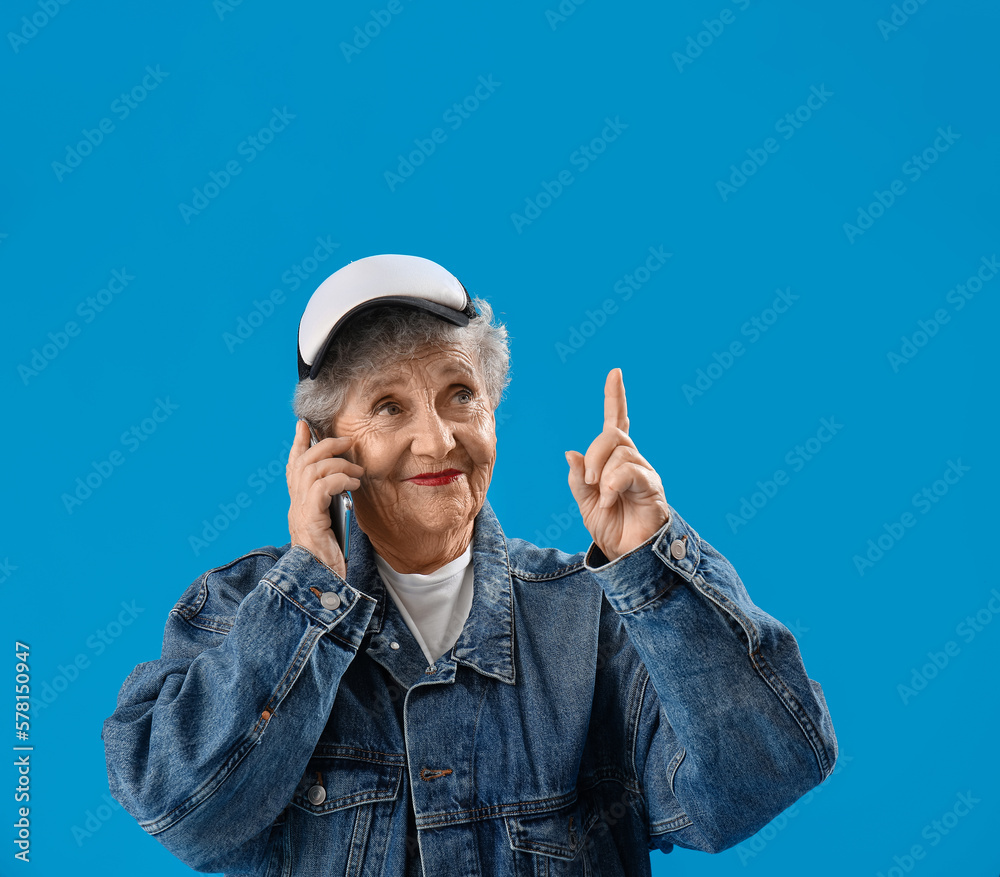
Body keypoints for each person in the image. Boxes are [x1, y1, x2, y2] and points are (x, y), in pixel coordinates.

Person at [103, 254, 837, 876]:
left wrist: (653, 567)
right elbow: (182, 807)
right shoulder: (241, 608)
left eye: (460, 394)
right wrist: (310, 590)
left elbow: (763, 774)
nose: (438, 438)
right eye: (388, 407)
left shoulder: (598, 616)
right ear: (323, 446)